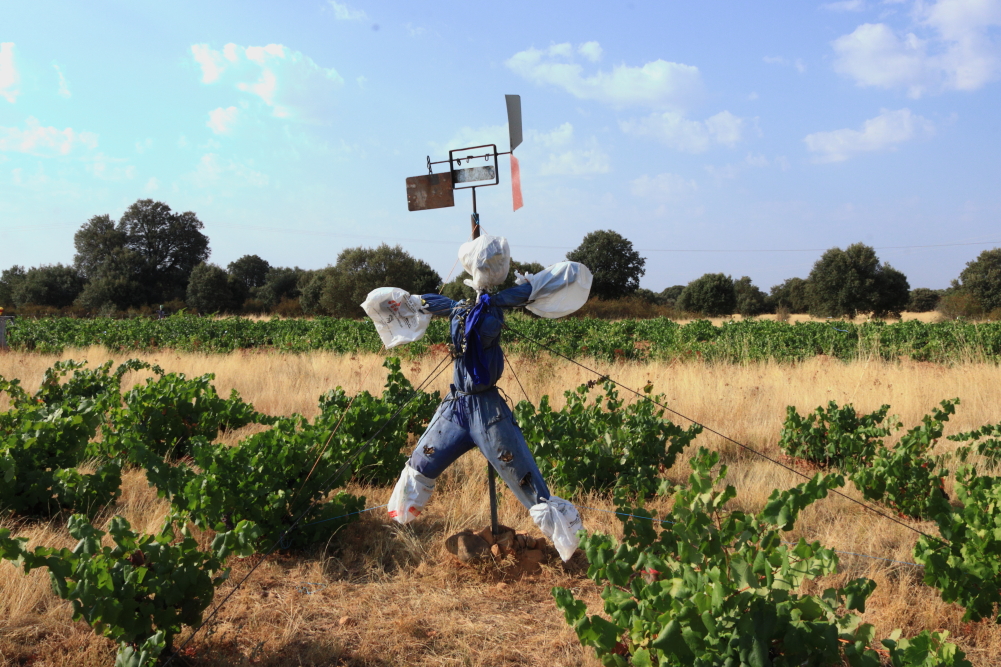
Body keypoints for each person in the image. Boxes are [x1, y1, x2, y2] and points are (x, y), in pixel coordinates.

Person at [370, 234, 589, 561]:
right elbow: (434, 302)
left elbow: (525, 292)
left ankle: (572, 549)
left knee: (527, 483)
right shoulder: (466, 307)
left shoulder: (483, 306)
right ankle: (394, 527)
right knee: (421, 462)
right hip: (458, 405)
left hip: (486, 410)